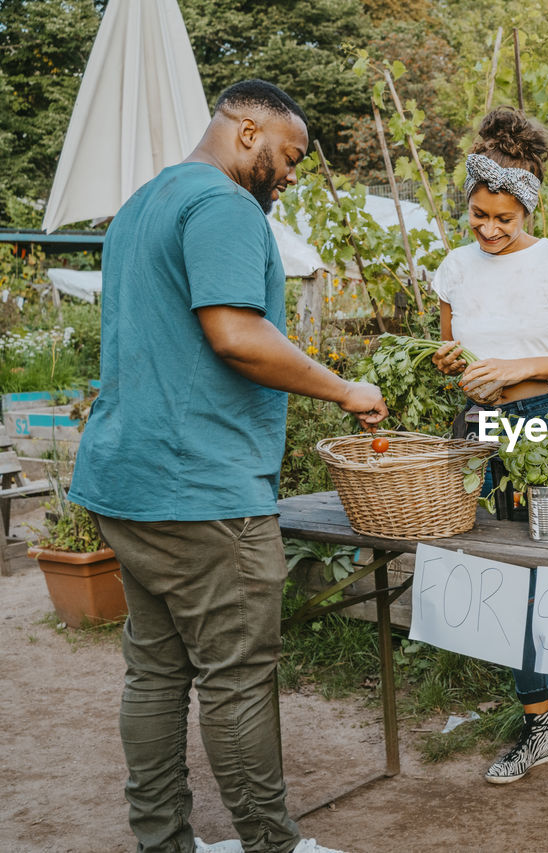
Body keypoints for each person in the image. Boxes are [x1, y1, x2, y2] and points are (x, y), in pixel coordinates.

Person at [68, 80, 388, 853]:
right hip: (202, 491)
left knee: (155, 673)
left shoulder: (142, 206)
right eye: (289, 155)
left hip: (129, 481)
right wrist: (345, 387)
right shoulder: (223, 207)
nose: (290, 174)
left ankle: (164, 843)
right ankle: (273, 845)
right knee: (237, 677)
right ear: (248, 132)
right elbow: (236, 334)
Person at [427, 107, 548, 809]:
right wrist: (461, 366)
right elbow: (453, 360)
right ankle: (537, 722)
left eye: (503, 218)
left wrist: (516, 368)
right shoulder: (453, 268)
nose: (487, 229)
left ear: (528, 207)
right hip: (483, 431)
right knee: (508, 585)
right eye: (479, 214)